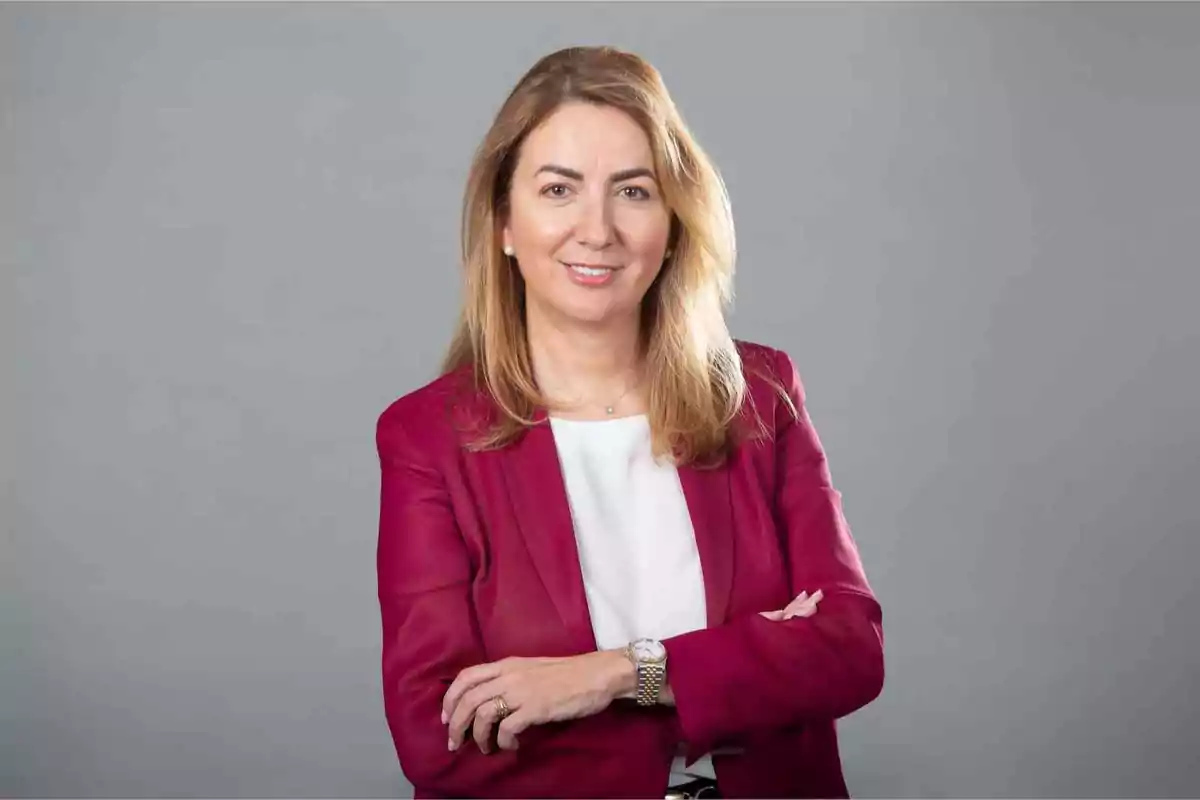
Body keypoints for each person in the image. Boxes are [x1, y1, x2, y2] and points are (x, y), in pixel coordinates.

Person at [375, 45, 884, 799]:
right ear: (503, 223)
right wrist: (745, 664)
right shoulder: (429, 437)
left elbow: (847, 651)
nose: (597, 229)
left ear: (675, 221)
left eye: (634, 191)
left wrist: (610, 675)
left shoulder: (761, 395)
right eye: (558, 189)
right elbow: (436, 735)